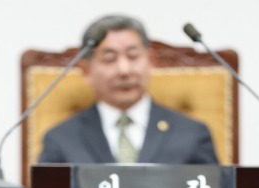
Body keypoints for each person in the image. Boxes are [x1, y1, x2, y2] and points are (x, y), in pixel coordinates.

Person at [37, 15, 219, 166]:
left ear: (151, 61)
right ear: (86, 70)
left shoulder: (192, 134)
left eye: (133, 56)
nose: (124, 70)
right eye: (109, 59)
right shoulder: (60, 139)